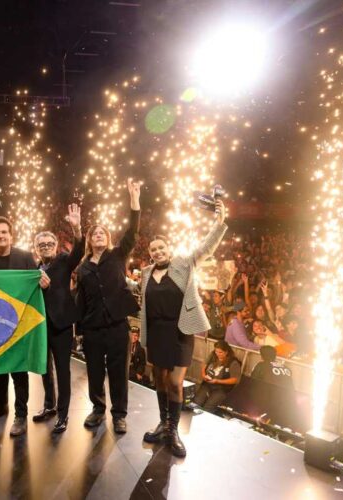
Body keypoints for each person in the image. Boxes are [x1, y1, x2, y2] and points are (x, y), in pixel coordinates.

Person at [141, 196, 227, 457]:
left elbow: (206, 248)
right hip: (156, 332)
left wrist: (220, 222)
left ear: (169, 248)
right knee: (160, 380)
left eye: (161, 248)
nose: (157, 252)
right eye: (153, 249)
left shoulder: (183, 263)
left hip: (180, 332)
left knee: (176, 383)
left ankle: (173, 430)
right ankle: (162, 423)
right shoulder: (145, 272)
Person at [75, 179, 141, 435]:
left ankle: (119, 414)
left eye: (102, 232)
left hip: (117, 326)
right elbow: (81, 299)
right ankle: (98, 409)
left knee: (118, 372)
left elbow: (133, 233)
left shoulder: (117, 256)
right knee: (93, 371)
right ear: (89, 241)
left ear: (108, 238)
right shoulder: (82, 267)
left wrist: (134, 201)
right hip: (92, 328)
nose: (98, 235)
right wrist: (79, 329)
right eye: (94, 234)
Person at [0, 215, 41, 437]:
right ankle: (0, 404)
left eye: (4, 232)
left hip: (19, 324)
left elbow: (35, 286)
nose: (0, 236)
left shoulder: (25, 257)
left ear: (11, 235)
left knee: (18, 370)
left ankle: (21, 415)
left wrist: (42, 280)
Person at [32, 203, 84, 433]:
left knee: (63, 371)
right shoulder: (33, 269)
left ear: (55, 245)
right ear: (36, 248)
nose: (46, 247)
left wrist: (77, 229)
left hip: (62, 325)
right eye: (41, 244)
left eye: (49, 243)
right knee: (44, 369)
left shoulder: (64, 260)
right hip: (40, 326)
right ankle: (49, 406)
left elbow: (79, 252)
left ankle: (63, 415)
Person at [192, 340, 241, 413]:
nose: (218, 354)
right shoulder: (213, 355)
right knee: (196, 403)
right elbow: (204, 365)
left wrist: (218, 381)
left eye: (220, 352)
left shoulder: (233, 362)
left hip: (221, 388)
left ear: (226, 352)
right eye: (216, 351)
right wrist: (203, 374)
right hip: (208, 384)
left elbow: (235, 380)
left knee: (208, 408)